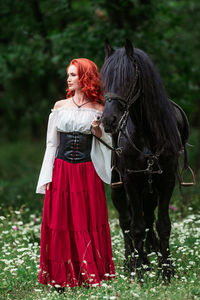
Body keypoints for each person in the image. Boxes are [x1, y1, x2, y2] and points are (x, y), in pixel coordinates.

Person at [36, 58, 115, 290]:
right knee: (61, 220)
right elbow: (51, 144)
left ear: (84, 78)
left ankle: (90, 276)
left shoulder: (100, 109)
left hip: (87, 170)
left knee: (88, 220)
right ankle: (60, 278)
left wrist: (97, 130)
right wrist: (46, 177)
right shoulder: (60, 106)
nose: (68, 79)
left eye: (72, 75)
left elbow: (108, 143)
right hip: (61, 169)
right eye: (68, 75)